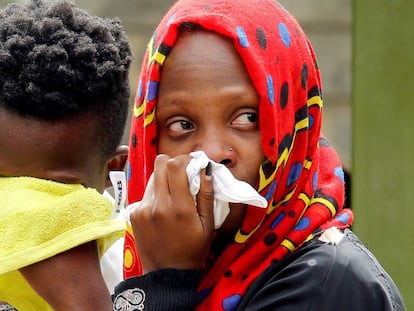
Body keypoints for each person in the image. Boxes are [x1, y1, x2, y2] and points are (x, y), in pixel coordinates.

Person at [113, 0, 406, 310]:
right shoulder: (186, 263)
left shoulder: (323, 288)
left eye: (247, 118)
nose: (212, 152)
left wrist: (166, 281)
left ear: (292, 126)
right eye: (182, 125)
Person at [0, 0, 133, 309]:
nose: (24, 208)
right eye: (3, 180)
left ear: (113, 170)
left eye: (54, 189)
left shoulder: (136, 269)